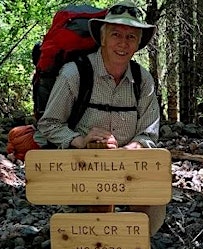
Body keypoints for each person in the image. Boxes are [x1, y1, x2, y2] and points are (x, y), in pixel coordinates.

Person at [35, 0, 165, 236]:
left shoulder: (142, 79)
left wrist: (135, 147)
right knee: (98, 193)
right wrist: (80, 141)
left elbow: (150, 131)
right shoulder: (75, 73)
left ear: (138, 44)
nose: (123, 43)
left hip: (128, 167)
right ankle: (98, 237)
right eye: (116, 34)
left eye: (131, 37)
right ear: (103, 38)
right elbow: (49, 124)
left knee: (155, 194)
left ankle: (134, 243)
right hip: (82, 167)